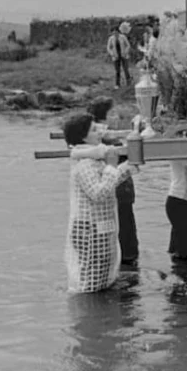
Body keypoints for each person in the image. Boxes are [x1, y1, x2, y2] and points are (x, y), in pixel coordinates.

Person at [62, 114, 136, 293]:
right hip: (89, 229)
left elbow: (108, 183)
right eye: (94, 130)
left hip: (101, 227)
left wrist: (128, 167)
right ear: (83, 137)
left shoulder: (95, 161)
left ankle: (100, 309)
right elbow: (99, 194)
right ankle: (88, 309)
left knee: (104, 279)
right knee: (91, 284)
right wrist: (111, 166)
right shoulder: (85, 165)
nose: (99, 133)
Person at [76, 97, 139, 267]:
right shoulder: (102, 140)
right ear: (103, 117)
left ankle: (123, 263)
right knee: (123, 236)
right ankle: (124, 264)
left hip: (120, 192)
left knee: (124, 232)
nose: (118, 117)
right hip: (114, 192)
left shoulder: (105, 137)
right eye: (113, 113)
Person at [106, 22, 133, 88]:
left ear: (118, 31)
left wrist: (126, 52)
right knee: (117, 70)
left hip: (124, 55)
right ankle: (117, 84)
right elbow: (108, 48)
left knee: (125, 69)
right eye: (113, 32)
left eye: (116, 31)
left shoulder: (123, 37)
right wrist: (112, 54)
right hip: (115, 56)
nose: (114, 33)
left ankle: (128, 82)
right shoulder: (111, 38)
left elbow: (128, 45)